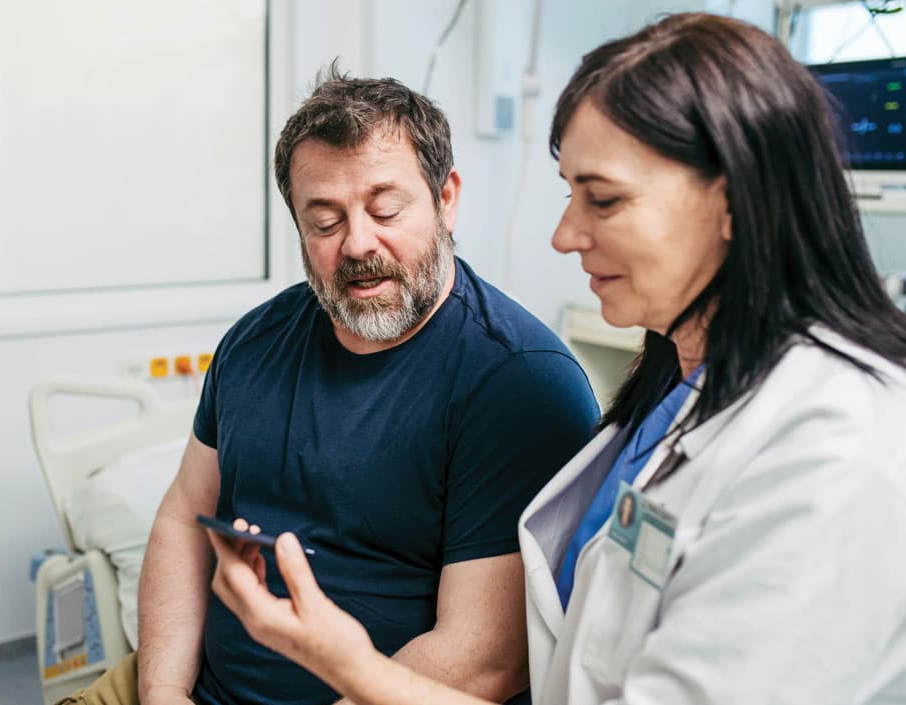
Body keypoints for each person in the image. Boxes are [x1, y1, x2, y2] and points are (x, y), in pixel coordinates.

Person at [206, 13, 906, 705]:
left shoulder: (836, 453)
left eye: (600, 199)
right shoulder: (681, 388)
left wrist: (351, 666)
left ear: (732, 200)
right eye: (569, 193)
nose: (563, 234)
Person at [57, 68, 600, 705]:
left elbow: (484, 661)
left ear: (446, 199)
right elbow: (182, 515)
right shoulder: (255, 343)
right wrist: (164, 692)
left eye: (385, 209)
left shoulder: (520, 384)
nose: (358, 243)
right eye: (324, 221)